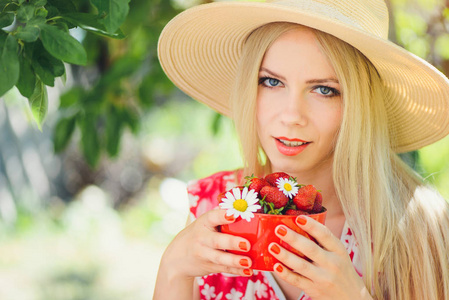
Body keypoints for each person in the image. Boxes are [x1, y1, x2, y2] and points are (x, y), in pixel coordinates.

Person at [154, 0, 449, 299]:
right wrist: (173, 268)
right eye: (271, 81)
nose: (292, 115)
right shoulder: (211, 207)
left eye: (324, 89)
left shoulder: (416, 229)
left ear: (359, 105)